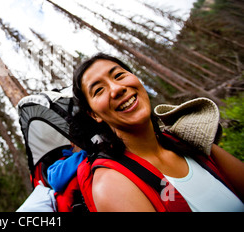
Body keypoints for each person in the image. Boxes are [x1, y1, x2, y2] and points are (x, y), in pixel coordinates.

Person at [71, 53, 244, 212]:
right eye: (99, 90)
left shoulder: (188, 140)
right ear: (94, 115)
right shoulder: (111, 183)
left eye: (119, 75)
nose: (117, 88)